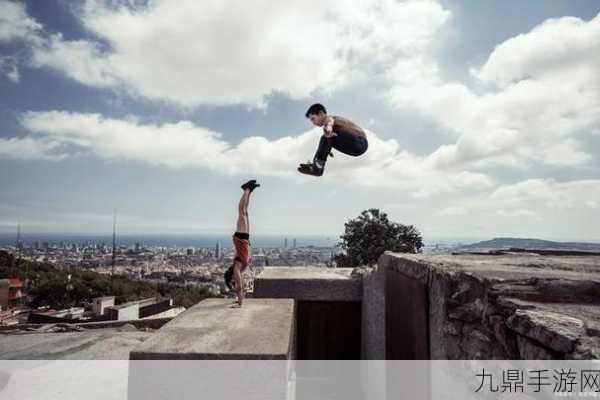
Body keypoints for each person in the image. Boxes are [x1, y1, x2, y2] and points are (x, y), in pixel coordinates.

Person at [298, 103, 368, 176]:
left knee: (326, 137)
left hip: (359, 141)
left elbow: (330, 121)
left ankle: (318, 168)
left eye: (313, 119)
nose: (313, 123)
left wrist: (329, 126)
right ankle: (317, 166)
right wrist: (326, 149)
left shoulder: (330, 118)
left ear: (321, 113)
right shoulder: (330, 129)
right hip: (355, 149)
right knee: (327, 138)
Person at [224, 179, 260, 306]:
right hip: (244, 239)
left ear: (231, 277)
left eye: (232, 281)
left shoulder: (237, 267)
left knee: (241, 211)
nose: (235, 281)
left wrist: (239, 302)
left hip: (241, 238)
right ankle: (249, 191)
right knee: (245, 212)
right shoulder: (239, 268)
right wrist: (240, 300)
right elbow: (242, 286)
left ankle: (247, 189)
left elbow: (239, 287)